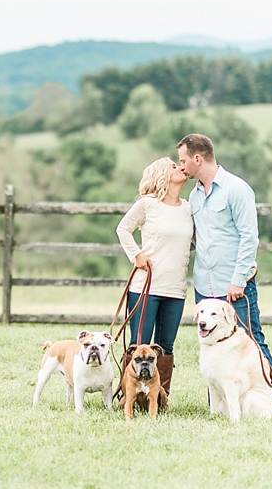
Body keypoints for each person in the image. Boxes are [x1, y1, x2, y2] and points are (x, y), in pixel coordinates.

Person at [176, 133, 272, 416]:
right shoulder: (195, 195)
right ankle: (221, 408)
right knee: (209, 346)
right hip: (205, 285)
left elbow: (249, 237)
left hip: (234, 284)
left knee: (254, 341)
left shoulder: (237, 189)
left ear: (197, 159)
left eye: (183, 160)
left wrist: (238, 280)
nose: (181, 166)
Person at [115, 157, 193, 397]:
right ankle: (129, 394)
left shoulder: (188, 208)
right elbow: (123, 229)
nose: (180, 167)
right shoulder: (147, 204)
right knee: (139, 345)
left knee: (166, 347)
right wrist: (136, 254)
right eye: (173, 166)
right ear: (162, 175)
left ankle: (160, 397)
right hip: (146, 287)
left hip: (175, 288)